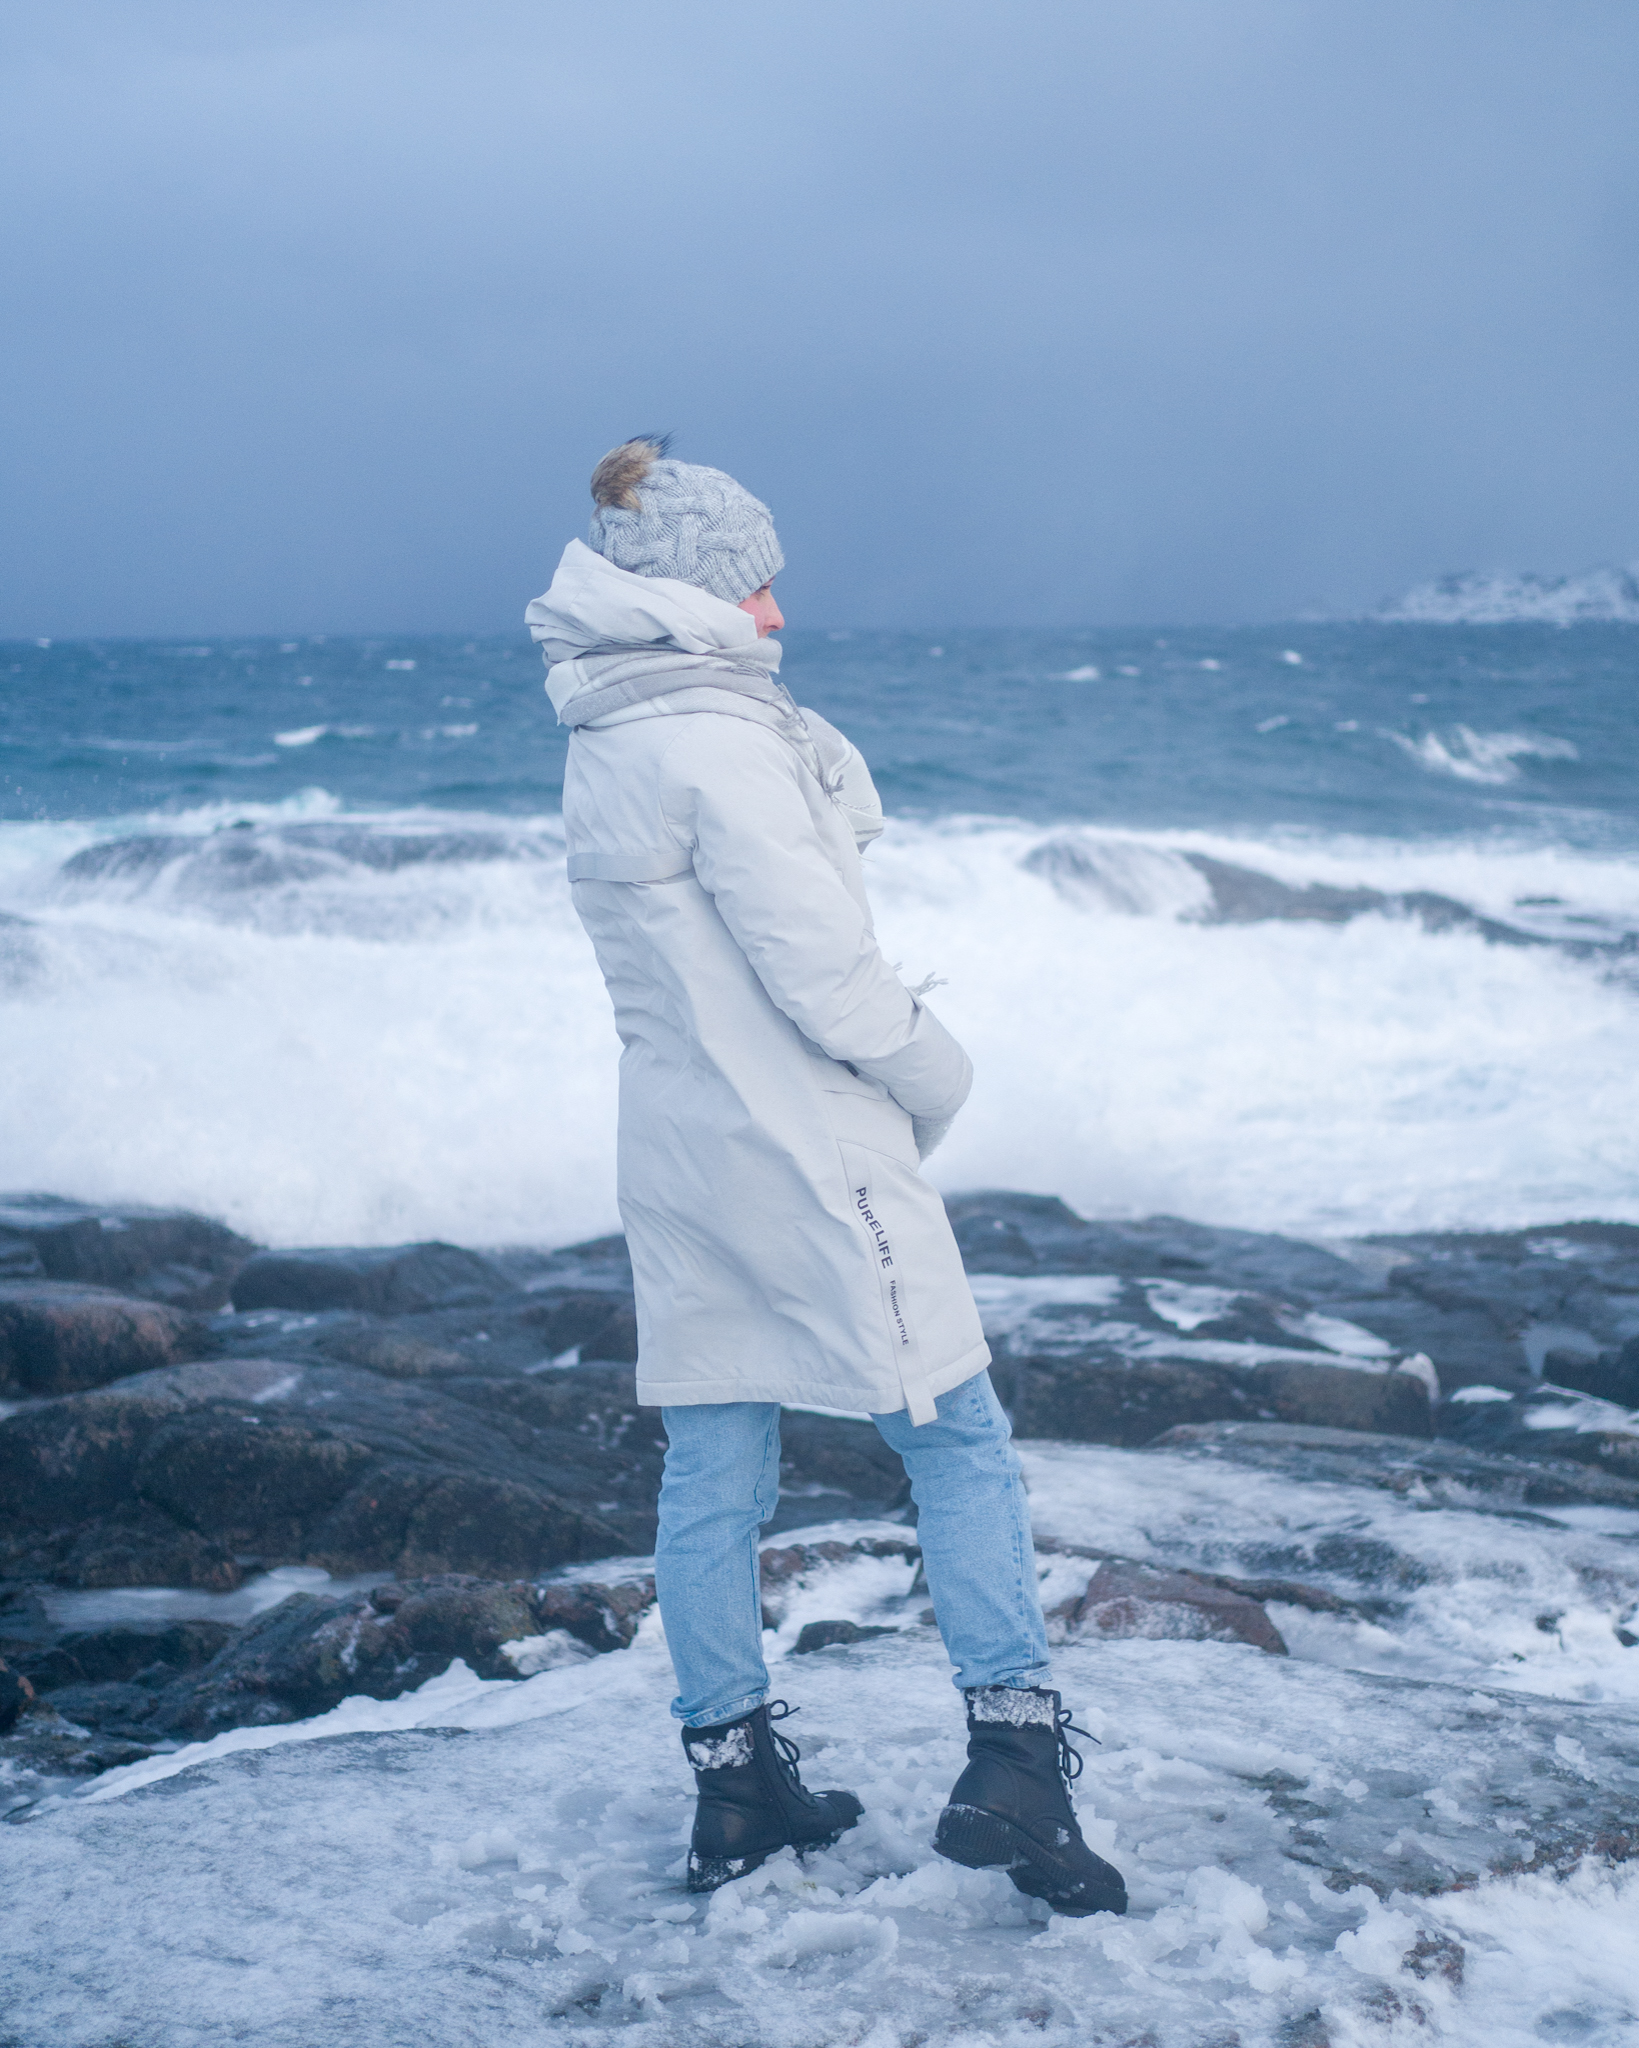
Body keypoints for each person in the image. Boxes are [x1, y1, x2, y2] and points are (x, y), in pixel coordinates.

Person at [525, 439, 1126, 1918]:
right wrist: (940, 1078)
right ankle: (1015, 1767)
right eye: (758, 585)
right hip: (807, 1144)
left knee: (715, 1464)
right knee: (959, 1438)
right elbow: (828, 981)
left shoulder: (607, 730)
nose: (780, 612)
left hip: (678, 1151)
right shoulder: (723, 741)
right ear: (696, 595)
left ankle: (736, 1790)